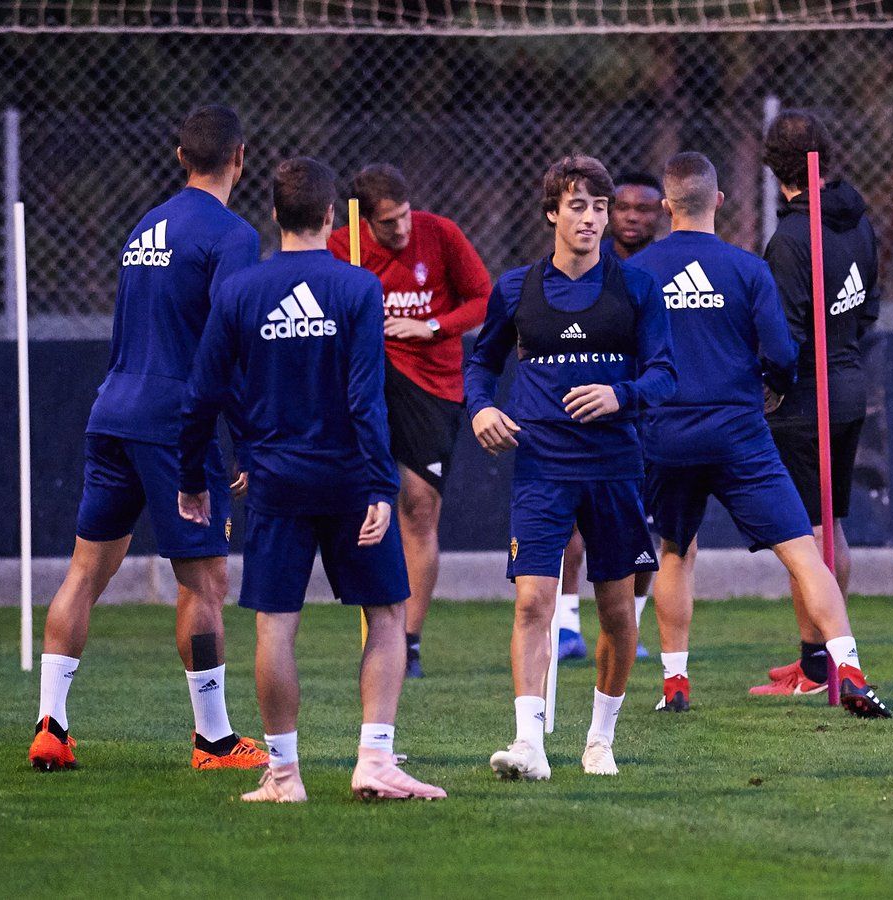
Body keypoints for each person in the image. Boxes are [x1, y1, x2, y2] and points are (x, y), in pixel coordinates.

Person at [178, 157, 446, 803]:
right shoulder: (356, 288)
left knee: (275, 626)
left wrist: (194, 477)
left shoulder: (240, 291)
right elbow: (366, 397)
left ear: (272, 214)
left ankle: (285, 775)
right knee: (386, 615)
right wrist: (382, 483)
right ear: (332, 216)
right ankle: (374, 761)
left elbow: (203, 393)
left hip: (275, 482)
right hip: (352, 482)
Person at [27, 106, 267, 772]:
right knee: (205, 583)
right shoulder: (234, 235)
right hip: (173, 429)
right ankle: (214, 740)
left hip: (112, 413)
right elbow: (230, 345)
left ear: (179, 154)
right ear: (240, 158)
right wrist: (245, 440)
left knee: (84, 572)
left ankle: (51, 725)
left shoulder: (143, 227)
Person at [632, 152, 891, 719]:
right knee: (802, 550)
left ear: (666, 205)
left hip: (667, 433)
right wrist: (769, 382)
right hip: (740, 432)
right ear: (718, 201)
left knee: (674, 552)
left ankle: (675, 682)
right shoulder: (748, 269)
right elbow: (781, 352)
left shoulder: (638, 272)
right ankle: (848, 669)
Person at [465, 155, 676, 780]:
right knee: (534, 600)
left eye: (600, 208)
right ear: (553, 212)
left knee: (616, 613)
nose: (591, 218)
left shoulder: (636, 287)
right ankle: (529, 744)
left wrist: (622, 395)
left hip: (614, 467)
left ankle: (600, 740)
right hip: (541, 467)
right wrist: (480, 410)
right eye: (578, 206)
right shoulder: (516, 288)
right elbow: (480, 364)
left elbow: (665, 373)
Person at [329, 164, 491, 679]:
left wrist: (431, 326)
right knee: (367, 502)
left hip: (432, 385)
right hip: (367, 380)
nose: (400, 230)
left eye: (403, 217)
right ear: (364, 220)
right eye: (387, 223)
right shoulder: (341, 246)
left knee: (418, 507)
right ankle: (378, 630)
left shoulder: (439, 233)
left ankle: (410, 642)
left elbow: (484, 299)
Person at [757, 109, 882, 694]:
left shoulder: (789, 238)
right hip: (850, 384)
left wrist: (774, 389)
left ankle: (821, 667)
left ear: (773, 169)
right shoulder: (859, 220)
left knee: (806, 533)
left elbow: (784, 335)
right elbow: (870, 305)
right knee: (826, 524)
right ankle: (815, 660)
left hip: (810, 397)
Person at [561, 170, 667, 660]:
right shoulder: (585, 265)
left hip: (649, 413)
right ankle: (565, 625)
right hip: (590, 414)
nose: (630, 217)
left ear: (662, 212)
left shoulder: (661, 273)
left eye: (642, 209)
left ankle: (634, 625)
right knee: (570, 524)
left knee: (647, 527)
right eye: (620, 207)